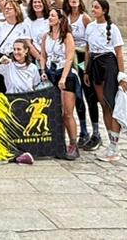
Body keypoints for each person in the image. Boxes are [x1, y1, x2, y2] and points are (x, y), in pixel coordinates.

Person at [83, 0, 127, 163]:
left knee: (111, 104)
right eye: (92, 7)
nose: (93, 9)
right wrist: (86, 70)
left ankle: (115, 145)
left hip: (108, 65)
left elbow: (119, 53)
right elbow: (88, 50)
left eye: (96, 7)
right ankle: (111, 142)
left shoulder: (113, 28)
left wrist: (122, 75)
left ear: (104, 10)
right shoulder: (90, 27)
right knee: (103, 105)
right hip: (94, 64)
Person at [41, 10, 82, 159]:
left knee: (67, 112)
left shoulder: (67, 36)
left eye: (52, 16)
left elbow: (70, 58)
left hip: (65, 74)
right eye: (49, 16)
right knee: (55, 111)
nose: (50, 18)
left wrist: (63, 77)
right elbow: (43, 55)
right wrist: (42, 70)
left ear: (59, 19)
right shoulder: (46, 36)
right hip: (51, 73)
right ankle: (59, 143)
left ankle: (73, 144)